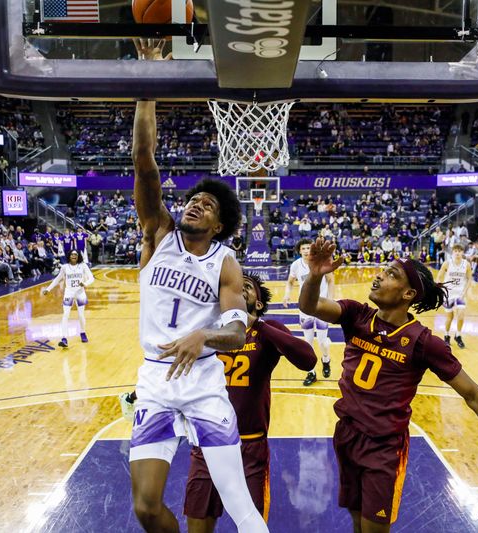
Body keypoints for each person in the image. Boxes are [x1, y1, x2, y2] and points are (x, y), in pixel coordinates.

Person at [299, 237, 478, 532]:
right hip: (346, 435)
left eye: (392, 273)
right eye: (383, 270)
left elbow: (472, 394)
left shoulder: (423, 342)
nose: (380, 275)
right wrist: (315, 275)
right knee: (357, 522)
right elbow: (310, 305)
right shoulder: (357, 315)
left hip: (384, 447)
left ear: (408, 293)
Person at [128, 38, 268, 533]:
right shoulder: (157, 235)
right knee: (145, 507)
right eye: (193, 200)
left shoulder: (225, 262)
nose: (195, 205)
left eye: (207, 205)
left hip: (206, 382)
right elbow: (144, 158)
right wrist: (148, 83)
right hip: (155, 379)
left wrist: (201, 336)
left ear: (221, 224)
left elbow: (238, 334)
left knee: (240, 506)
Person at [184, 272, 317, 531]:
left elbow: (308, 360)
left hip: (250, 445)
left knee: (252, 525)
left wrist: (254, 322)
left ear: (257, 303)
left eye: (246, 286)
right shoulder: (207, 331)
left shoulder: (268, 331)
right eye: (233, 286)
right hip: (208, 443)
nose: (238, 289)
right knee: (198, 525)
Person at [283, 238, 334, 386]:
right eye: (303, 248)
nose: (306, 250)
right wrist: (287, 294)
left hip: (321, 306)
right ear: (299, 251)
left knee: (323, 342)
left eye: (308, 248)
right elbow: (290, 282)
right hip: (305, 307)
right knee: (308, 343)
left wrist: (331, 299)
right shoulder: (295, 265)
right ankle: (311, 372)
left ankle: (326, 360)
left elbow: (331, 280)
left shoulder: (320, 262)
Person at [42, 250, 94, 347]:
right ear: (69, 256)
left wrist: (85, 283)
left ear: (78, 256)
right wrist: (48, 289)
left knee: (81, 315)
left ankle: (82, 333)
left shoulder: (83, 266)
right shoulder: (65, 267)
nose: (74, 256)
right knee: (65, 315)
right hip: (69, 293)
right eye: (72, 254)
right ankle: (64, 338)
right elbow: (57, 279)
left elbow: (91, 278)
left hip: (80, 292)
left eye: (76, 254)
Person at [436, 243, 473, 348]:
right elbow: (439, 277)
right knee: (450, 317)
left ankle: (458, 335)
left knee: (461, 315)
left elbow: (470, 278)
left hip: (460, 294)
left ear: (462, 252)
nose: (457, 253)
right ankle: (446, 335)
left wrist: (465, 292)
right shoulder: (447, 263)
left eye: (459, 251)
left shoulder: (466, 264)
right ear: (453, 252)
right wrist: (441, 289)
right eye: (456, 251)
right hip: (448, 294)